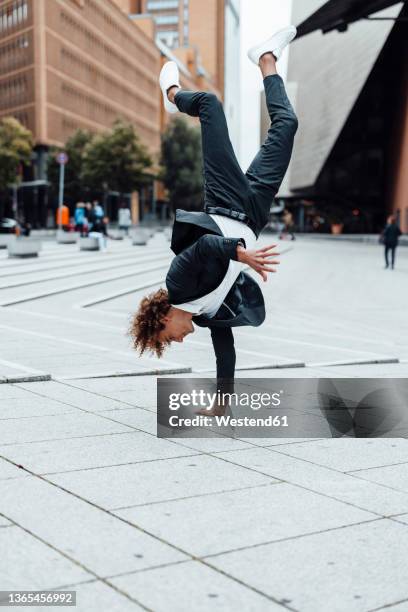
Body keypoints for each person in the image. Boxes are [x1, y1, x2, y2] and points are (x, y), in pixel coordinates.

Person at [130, 26, 298, 386]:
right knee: (286, 125)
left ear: (162, 319)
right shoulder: (208, 313)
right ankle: (266, 59)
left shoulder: (178, 283)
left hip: (224, 202)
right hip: (254, 214)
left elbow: (205, 247)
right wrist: (222, 403)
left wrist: (241, 257)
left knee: (209, 104)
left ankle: (171, 94)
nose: (178, 340)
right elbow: (226, 350)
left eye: (167, 338)